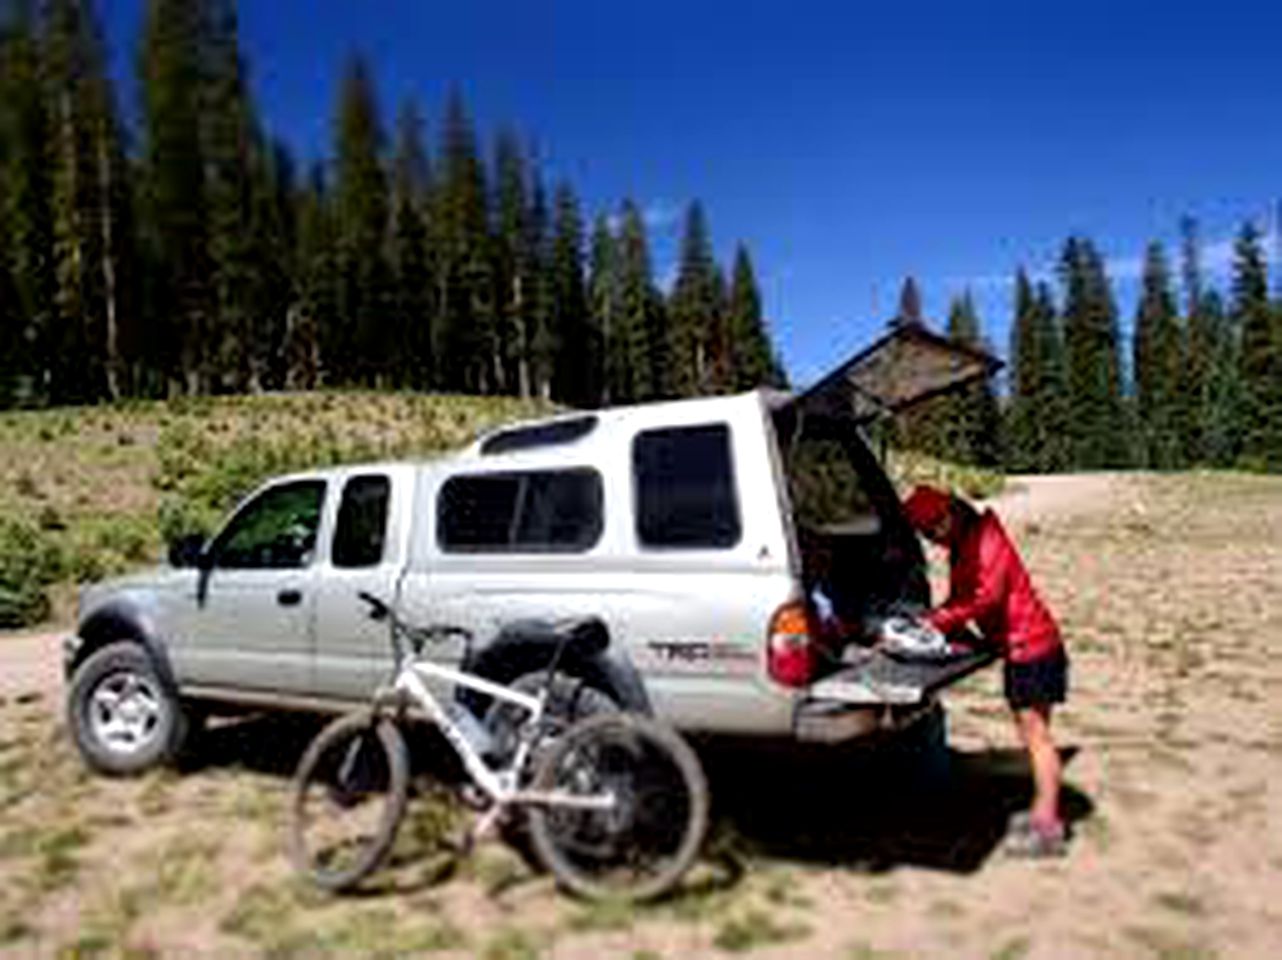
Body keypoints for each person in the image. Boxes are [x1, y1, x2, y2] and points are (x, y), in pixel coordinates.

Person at [901, 484, 1069, 857]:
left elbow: (984, 598)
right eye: (924, 533)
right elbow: (961, 598)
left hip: (1033, 649)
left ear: (951, 513)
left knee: (1037, 738)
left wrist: (937, 622)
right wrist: (936, 621)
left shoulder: (986, 542)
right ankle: (1042, 812)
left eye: (933, 528)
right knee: (1034, 735)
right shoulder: (965, 542)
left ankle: (1048, 826)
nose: (932, 538)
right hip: (1024, 648)